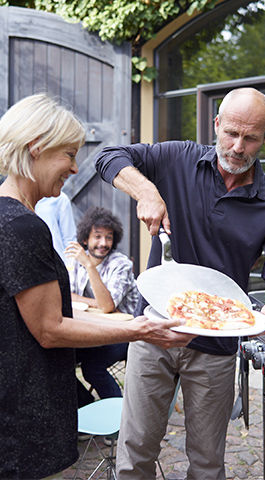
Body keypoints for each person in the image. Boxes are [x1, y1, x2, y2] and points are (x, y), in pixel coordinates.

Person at [94, 87, 265, 479]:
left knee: (206, 463)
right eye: (231, 133)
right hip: (154, 327)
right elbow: (108, 156)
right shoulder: (177, 159)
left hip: (218, 344)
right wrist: (147, 191)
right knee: (134, 455)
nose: (238, 147)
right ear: (216, 124)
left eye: (251, 137)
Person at [0, 93, 194, 480]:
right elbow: (50, 329)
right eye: (69, 154)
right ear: (36, 149)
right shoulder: (23, 226)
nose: (74, 168)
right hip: (23, 423)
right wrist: (140, 330)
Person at [65, 206, 139, 404]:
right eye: (97, 237)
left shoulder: (120, 264)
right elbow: (65, 295)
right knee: (57, 360)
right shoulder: (74, 262)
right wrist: (96, 303)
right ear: (85, 239)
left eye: (108, 237)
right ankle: (87, 407)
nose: (103, 243)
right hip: (91, 329)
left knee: (91, 367)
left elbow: (106, 306)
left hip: (125, 334)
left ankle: (118, 423)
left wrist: (89, 266)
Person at [35, 191, 77, 260]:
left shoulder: (60, 199)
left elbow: (69, 239)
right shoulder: (17, 197)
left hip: (55, 262)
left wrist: (71, 267)